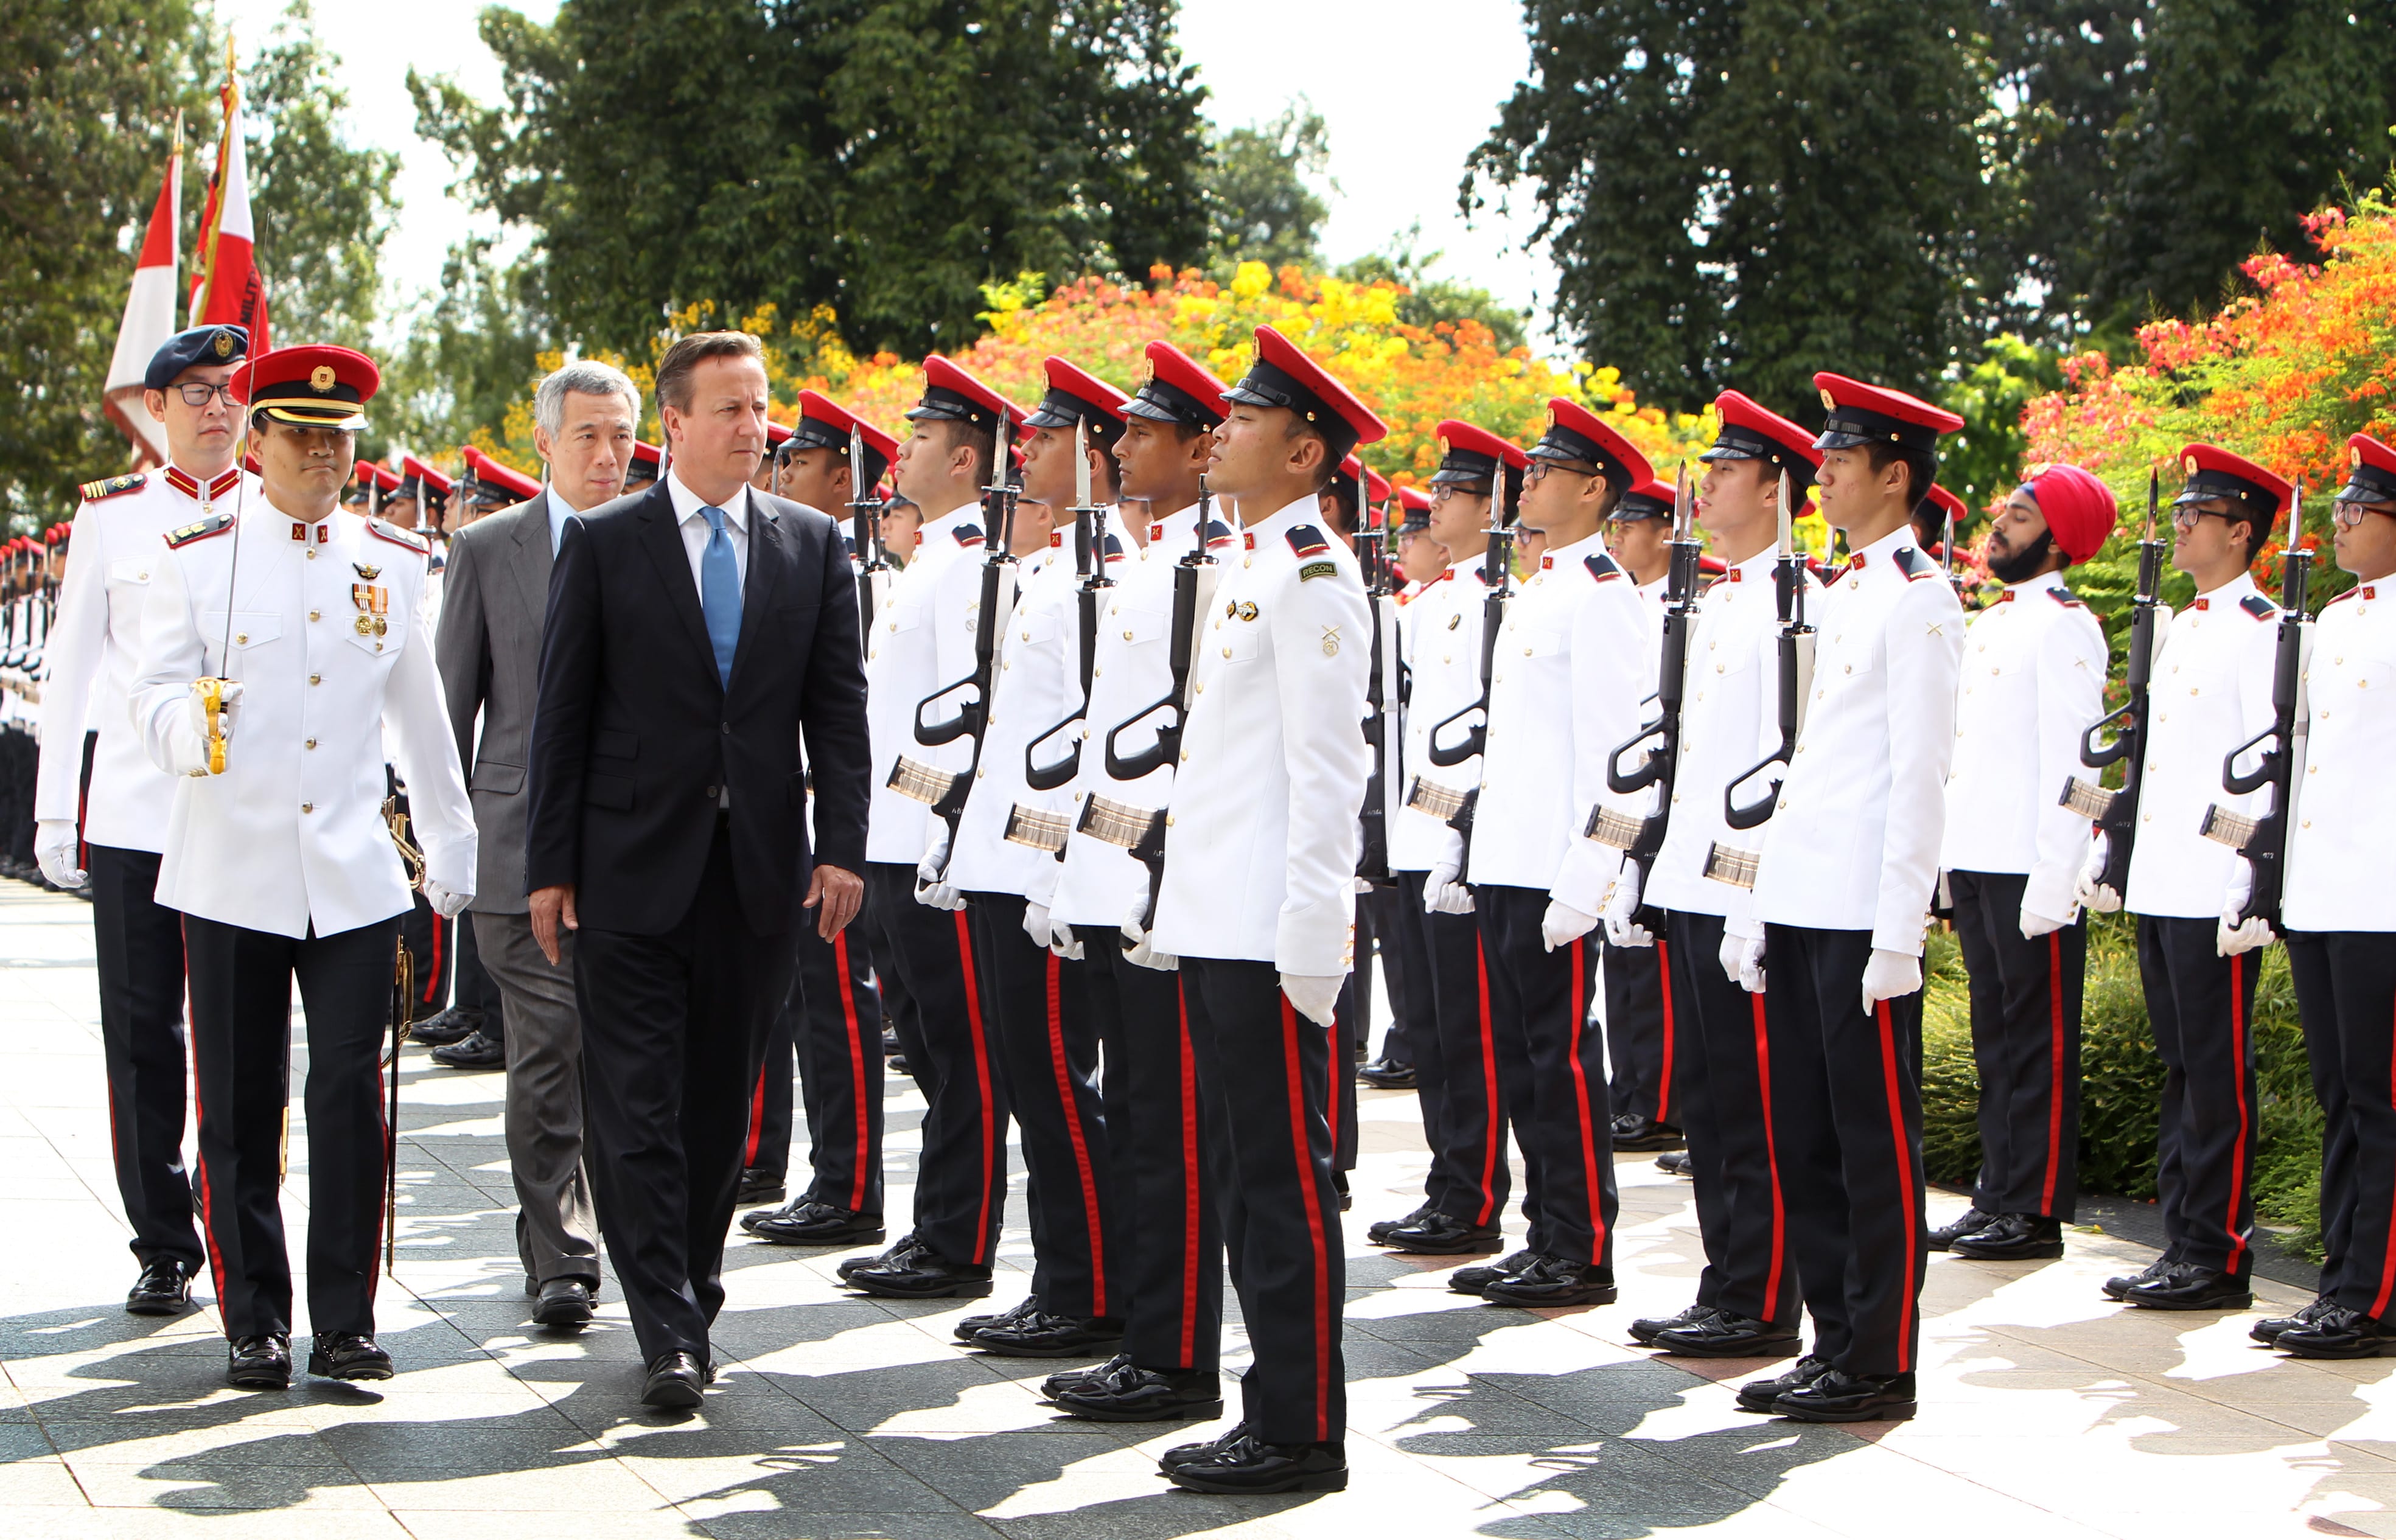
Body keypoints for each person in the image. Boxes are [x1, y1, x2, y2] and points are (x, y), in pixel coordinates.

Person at [523, 330, 870, 1408]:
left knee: (720, 1104)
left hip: (757, 871)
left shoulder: (812, 546)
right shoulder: (606, 540)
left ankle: (691, 1289)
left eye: (757, 406)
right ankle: (667, 1323)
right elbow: (562, 715)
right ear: (671, 424)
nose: (750, 427)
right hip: (626, 869)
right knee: (633, 1105)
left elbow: (838, 710)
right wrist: (547, 866)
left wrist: (843, 848)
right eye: (726, 409)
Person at [128, 344, 476, 1389]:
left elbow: (422, 719)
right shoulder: (193, 553)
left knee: (346, 1098)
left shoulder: (390, 559)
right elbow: (147, 698)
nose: (324, 454)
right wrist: (188, 725)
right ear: (260, 438)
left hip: (353, 876)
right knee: (238, 1105)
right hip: (230, 870)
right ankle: (253, 1317)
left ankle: (346, 1319)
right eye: (303, 435)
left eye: (339, 438)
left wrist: (452, 847)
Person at [1146, 324, 1377, 1495]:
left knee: (1282, 1181)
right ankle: (1270, 1411)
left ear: (1303, 454)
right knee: (1242, 1177)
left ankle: (1298, 1429)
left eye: (1245, 420)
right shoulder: (1252, 564)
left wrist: (1309, 945)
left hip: (1264, 936)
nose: (1220, 430)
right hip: (1216, 921)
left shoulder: (1316, 577)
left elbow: (1331, 779)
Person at [1726, 372, 1965, 1424]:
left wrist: (1898, 931)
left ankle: (1879, 1357)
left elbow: (1918, 776)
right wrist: (1757, 902)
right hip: (1805, 900)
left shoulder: (1922, 597)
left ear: (1894, 475)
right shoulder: (1843, 590)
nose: (1817, 472)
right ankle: (1832, 1339)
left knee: (1871, 1144)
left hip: (1863, 915)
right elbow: (1807, 762)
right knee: (1807, 1137)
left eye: (1838, 458)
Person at [34, 323, 256, 1317]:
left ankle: (238, 1222)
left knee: (237, 1038)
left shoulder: (272, 509)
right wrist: (55, 810)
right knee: (142, 1035)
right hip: (134, 815)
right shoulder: (113, 519)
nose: (217, 407)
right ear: (155, 409)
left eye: (229, 390)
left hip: (241, 821)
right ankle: (164, 1240)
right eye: (195, 391)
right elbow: (73, 668)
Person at [1037, 340, 1236, 1424]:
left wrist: (1160, 878)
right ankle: (1148, 1337)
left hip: (1168, 889)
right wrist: (1074, 874)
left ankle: (1176, 1356)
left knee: (1171, 1130)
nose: (1117, 447)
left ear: (1203, 449)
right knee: (1140, 1119)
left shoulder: (1209, 568)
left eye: (1143, 433)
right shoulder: (1146, 560)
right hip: (1116, 882)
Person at [912, 355, 1124, 1356]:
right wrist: (958, 842)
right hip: (994, 866)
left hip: (1041, 878)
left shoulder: (1105, 571)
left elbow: (1085, 746)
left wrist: (1048, 868)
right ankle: (1063, 1278)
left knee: (1052, 1083)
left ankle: (1086, 1288)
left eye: (1042, 437)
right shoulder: (1045, 566)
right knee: (1029, 1082)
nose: (1022, 449)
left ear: (1089, 454)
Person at [436, 361, 642, 1329]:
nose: (608, 456)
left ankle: (629, 1235)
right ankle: (563, 1250)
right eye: (588, 436)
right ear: (546, 445)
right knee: (549, 1050)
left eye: (622, 437)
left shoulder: (660, 544)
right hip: (517, 847)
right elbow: (450, 710)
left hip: (636, 849)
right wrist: (441, 843)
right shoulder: (487, 550)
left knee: (626, 1060)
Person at [1434, 398, 1651, 1311]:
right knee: (1524, 1059)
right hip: (1507, 860)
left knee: (1558, 1058)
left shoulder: (1602, 595)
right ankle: (1544, 1233)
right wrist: (1463, 848)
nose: (1525, 479)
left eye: (1544, 469)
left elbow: (1621, 761)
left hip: (1553, 872)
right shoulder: (1542, 586)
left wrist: (1589, 878)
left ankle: (1579, 1243)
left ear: (1592, 487)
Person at [1626, 389, 1819, 1360]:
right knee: (1709, 1103)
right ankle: (1725, 1279)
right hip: (1690, 882)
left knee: (1755, 1103)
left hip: (1743, 889)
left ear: (1779, 486)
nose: (1704, 484)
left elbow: (1787, 768)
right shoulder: (1718, 598)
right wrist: (1645, 870)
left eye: (1729, 469)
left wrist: (1751, 895)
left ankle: (1762, 1295)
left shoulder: (1799, 600)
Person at [2076, 443, 2284, 1313]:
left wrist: (2249, 874)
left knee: (2213, 1073)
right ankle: (2182, 1239)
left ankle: (2216, 1250)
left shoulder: (2261, 627)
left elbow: (2261, 767)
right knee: (2179, 1068)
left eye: (2198, 515)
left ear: (2241, 532)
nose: (2182, 524)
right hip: (2162, 879)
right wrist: (2114, 845)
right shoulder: (2182, 622)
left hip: (2210, 884)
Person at [847, 357, 1025, 1299]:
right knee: (921, 1038)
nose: (901, 447)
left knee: (960, 1050)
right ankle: (937, 1226)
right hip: (892, 836)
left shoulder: (970, 570)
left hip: (931, 843)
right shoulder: (926, 562)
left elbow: (969, 716)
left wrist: (939, 828)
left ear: (964, 459)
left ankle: (958, 1238)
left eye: (919, 435)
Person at [1933, 464, 2114, 1262]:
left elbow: (2082, 770)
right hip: (1977, 855)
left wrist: (2057, 876)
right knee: (1994, 1036)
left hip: (2028, 865)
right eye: (2003, 509)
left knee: (2034, 1040)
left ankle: (2033, 1207)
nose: (1999, 525)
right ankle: (1997, 1190)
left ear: (2058, 537)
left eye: (2019, 515)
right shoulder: (1998, 620)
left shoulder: (2066, 625)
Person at [741, 389, 897, 1247]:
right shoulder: (790, 559)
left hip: (841, 821)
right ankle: (787, 1161)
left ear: (847, 474)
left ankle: (851, 1183)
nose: (782, 470)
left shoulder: (864, 572)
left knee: (839, 1003)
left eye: (800, 459)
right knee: (789, 1002)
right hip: (785, 817)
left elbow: (853, 717)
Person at [1371, 419, 1525, 1263]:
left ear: (1489, 505)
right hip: (1413, 836)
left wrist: (1462, 843)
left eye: (1450, 493)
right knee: (1427, 1026)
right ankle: (1448, 1183)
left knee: (1468, 1031)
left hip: (1458, 846)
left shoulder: (1502, 598)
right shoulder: (1434, 602)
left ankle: (1473, 1196)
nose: (1434, 505)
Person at [2269, 431, 2396, 1358]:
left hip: (2382, 894)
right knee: (2339, 1095)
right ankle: (2338, 1284)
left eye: (2359, 510)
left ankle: (2373, 1295)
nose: (2341, 524)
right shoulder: (2336, 618)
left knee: (2379, 1100)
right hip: (2322, 889)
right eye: (2340, 508)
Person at [1599, 476, 1685, 1155]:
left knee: (1650, 959)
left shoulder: (1677, 605)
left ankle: (1655, 1098)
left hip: (1661, 799)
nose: (1618, 535)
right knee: (1620, 954)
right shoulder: (1623, 603)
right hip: (1624, 790)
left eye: (1631, 525)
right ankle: (1627, 1085)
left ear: (1664, 531)